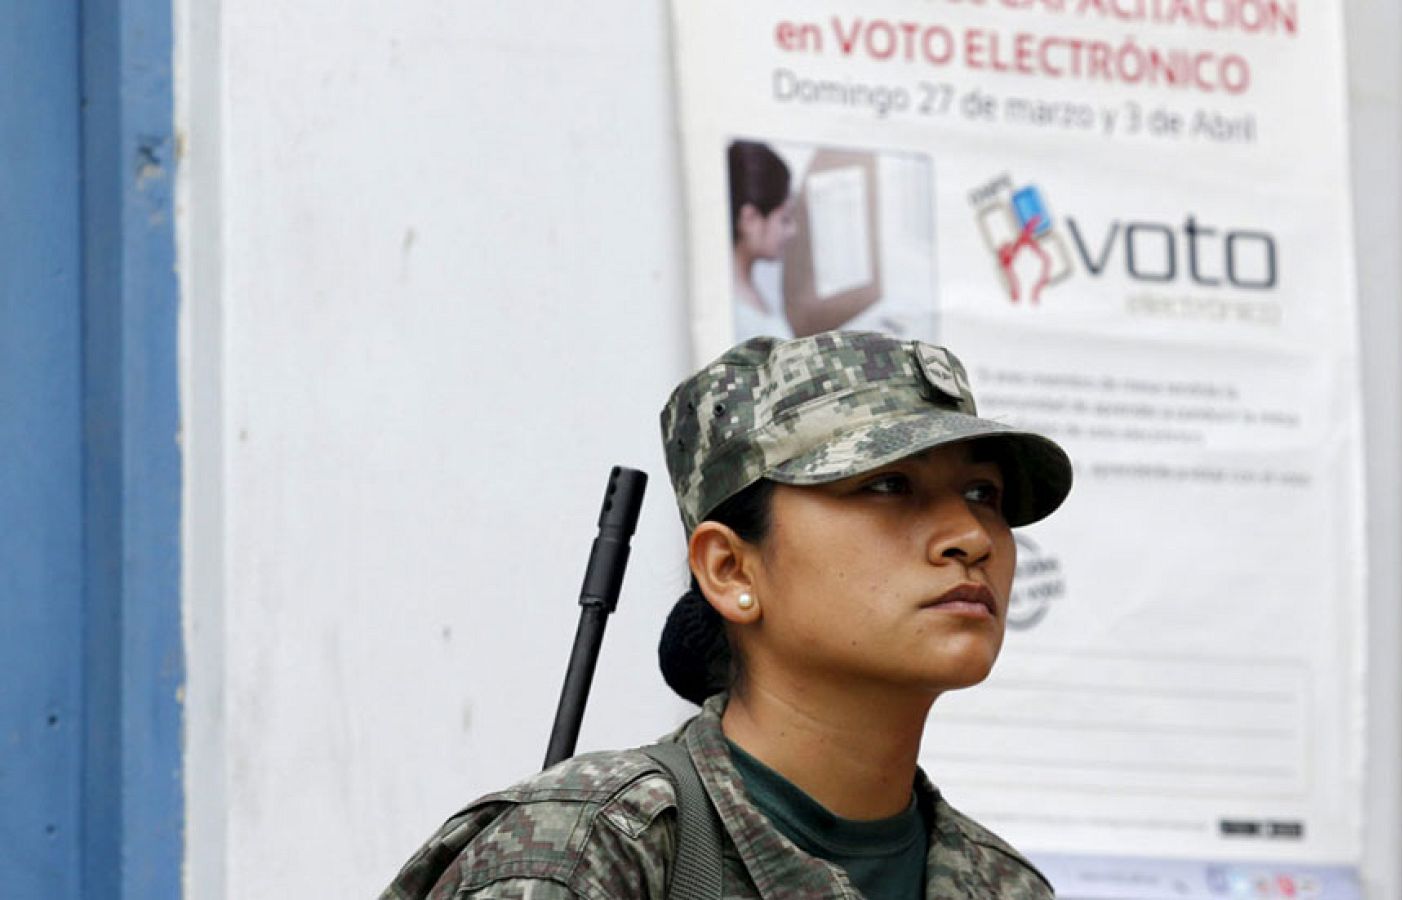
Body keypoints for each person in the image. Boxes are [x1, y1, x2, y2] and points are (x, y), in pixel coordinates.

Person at [382, 330, 1074, 899]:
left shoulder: (1003, 888)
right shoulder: (591, 856)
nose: (972, 537)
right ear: (730, 569)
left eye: (984, 492)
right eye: (888, 485)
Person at [728, 141, 798, 338]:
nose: (792, 230)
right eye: (784, 219)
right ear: (749, 219)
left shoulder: (749, 291)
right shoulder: (736, 316)